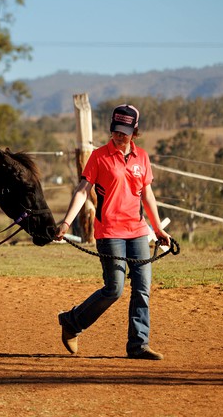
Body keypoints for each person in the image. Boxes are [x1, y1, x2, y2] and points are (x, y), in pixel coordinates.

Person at [55, 104, 171, 360]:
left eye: (126, 132)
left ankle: (138, 345)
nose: (120, 136)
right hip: (109, 233)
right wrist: (65, 223)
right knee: (114, 289)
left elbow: (147, 195)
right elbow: (83, 190)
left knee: (143, 288)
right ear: (111, 129)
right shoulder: (99, 156)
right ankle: (72, 322)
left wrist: (158, 229)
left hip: (138, 231)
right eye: (116, 131)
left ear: (135, 132)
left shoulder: (142, 157)